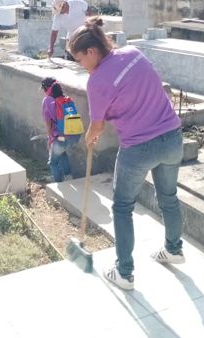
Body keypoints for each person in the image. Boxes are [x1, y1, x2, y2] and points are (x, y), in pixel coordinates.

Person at [68, 17, 185, 291]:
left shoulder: (97, 82)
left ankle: (124, 272)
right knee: (168, 197)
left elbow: (98, 125)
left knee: (122, 207)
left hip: (139, 147)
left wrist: (89, 137)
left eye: (79, 60)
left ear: (91, 51)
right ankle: (174, 249)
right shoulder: (133, 53)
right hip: (172, 138)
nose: (80, 66)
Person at [41, 77, 79, 182]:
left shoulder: (47, 101)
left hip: (60, 137)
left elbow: (48, 123)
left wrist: (50, 139)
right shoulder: (66, 99)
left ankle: (58, 182)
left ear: (47, 89)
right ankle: (68, 177)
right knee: (62, 154)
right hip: (73, 136)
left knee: (53, 162)